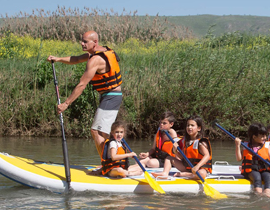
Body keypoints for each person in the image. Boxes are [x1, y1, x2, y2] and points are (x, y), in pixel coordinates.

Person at [47, 30, 122, 158]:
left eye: (85, 41)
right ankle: (115, 159)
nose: (82, 43)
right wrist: (58, 59)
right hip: (109, 96)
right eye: (81, 41)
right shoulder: (99, 52)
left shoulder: (96, 59)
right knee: (103, 132)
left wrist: (66, 103)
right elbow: (76, 59)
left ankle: (108, 163)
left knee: (96, 131)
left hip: (111, 97)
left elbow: (82, 84)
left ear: (95, 42)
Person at [127, 111, 178, 177]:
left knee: (150, 162)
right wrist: (147, 154)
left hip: (166, 160)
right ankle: (131, 170)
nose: (161, 125)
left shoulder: (172, 133)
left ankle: (138, 169)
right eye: (160, 123)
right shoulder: (158, 134)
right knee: (139, 160)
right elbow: (153, 149)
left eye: (164, 123)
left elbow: (176, 147)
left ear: (171, 124)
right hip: (157, 157)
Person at [235, 123, 270, 198]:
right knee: (257, 178)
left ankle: (268, 192)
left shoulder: (267, 145)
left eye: (265, 135)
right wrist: (237, 146)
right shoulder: (246, 146)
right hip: (252, 170)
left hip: (264, 168)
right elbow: (239, 158)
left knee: (268, 176)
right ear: (254, 137)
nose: (265, 138)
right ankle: (258, 193)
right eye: (262, 136)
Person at [171, 116, 212, 180]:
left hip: (200, 169)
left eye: (192, 125)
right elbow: (183, 158)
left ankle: (186, 174)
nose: (189, 127)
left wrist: (197, 166)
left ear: (199, 128)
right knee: (169, 158)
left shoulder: (201, 142)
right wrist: (175, 151)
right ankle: (164, 173)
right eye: (188, 125)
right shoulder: (185, 141)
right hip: (188, 167)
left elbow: (207, 155)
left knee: (202, 174)